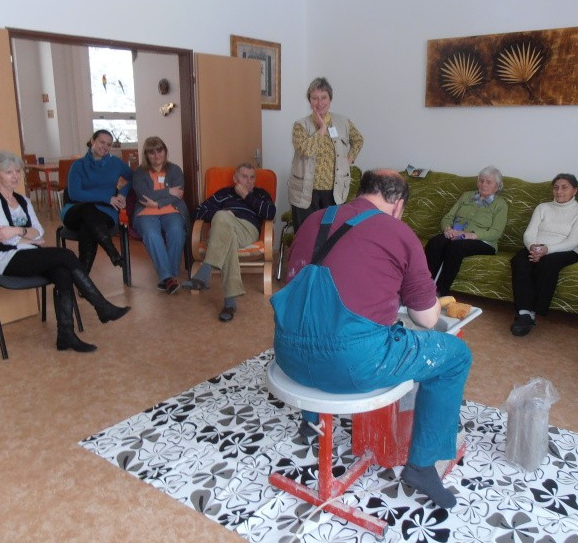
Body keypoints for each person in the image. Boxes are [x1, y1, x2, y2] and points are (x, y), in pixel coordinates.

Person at [273, 169, 472, 509]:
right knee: (455, 354)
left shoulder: (314, 219)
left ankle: (310, 422)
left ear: (361, 191)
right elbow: (426, 319)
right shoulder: (398, 232)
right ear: (398, 204)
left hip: (288, 355)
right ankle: (422, 467)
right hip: (351, 367)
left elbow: (308, 290)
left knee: (318, 322)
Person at [0, 151, 130, 353]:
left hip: (27, 254)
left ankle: (66, 336)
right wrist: (27, 235)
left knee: (63, 273)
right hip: (2, 258)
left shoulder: (23, 200)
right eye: (8, 172)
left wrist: (18, 232)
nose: (15, 176)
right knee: (65, 255)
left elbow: (39, 232)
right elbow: (5, 239)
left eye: (18, 171)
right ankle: (101, 306)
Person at [182, 163, 276, 321]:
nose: (249, 181)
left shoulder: (260, 194)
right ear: (235, 178)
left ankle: (205, 271)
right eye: (244, 176)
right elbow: (198, 211)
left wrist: (247, 196)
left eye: (252, 177)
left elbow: (270, 213)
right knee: (225, 229)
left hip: (247, 230)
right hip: (221, 231)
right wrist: (224, 215)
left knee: (221, 218)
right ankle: (229, 304)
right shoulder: (223, 194)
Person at [510, 173, 578, 336]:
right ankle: (524, 313)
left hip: (565, 250)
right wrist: (533, 247)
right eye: (556, 187)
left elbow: (573, 241)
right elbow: (529, 233)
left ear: (575, 190)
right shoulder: (542, 208)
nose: (559, 191)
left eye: (564, 187)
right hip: (536, 247)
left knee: (547, 264)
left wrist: (547, 249)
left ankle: (533, 311)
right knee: (519, 261)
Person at [288, 77, 363, 232]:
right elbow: (306, 151)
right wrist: (322, 129)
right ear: (309, 101)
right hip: (305, 192)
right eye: (315, 98)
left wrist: (348, 160)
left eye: (324, 97)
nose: (320, 102)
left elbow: (358, 140)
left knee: (331, 235)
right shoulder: (300, 125)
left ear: (330, 99)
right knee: (306, 235)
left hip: (334, 192)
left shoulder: (343, 122)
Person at [424, 165, 508, 296]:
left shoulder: (500, 204)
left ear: (497, 187)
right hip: (455, 234)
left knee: (455, 248)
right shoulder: (466, 196)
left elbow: (495, 233)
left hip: (483, 241)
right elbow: (448, 217)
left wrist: (468, 235)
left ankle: (440, 292)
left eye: (488, 182)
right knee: (436, 242)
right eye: (481, 180)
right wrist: (447, 229)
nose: (483, 184)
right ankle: (423, 287)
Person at [61, 130, 134, 274]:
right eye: (102, 142)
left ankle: (82, 279)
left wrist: (123, 193)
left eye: (109, 144)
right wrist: (106, 197)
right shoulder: (78, 165)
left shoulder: (115, 163)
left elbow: (134, 178)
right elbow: (75, 194)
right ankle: (111, 250)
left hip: (105, 212)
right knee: (88, 209)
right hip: (76, 210)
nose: (105, 147)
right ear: (92, 141)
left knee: (87, 228)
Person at [132, 136, 189, 294]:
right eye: (152, 152)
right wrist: (168, 191)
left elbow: (178, 195)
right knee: (151, 234)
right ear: (146, 155)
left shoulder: (175, 169)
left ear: (165, 151)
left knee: (177, 231)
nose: (157, 155)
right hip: (145, 212)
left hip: (172, 210)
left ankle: (168, 276)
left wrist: (157, 203)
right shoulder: (139, 172)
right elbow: (143, 195)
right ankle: (168, 278)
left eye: (159, 150)